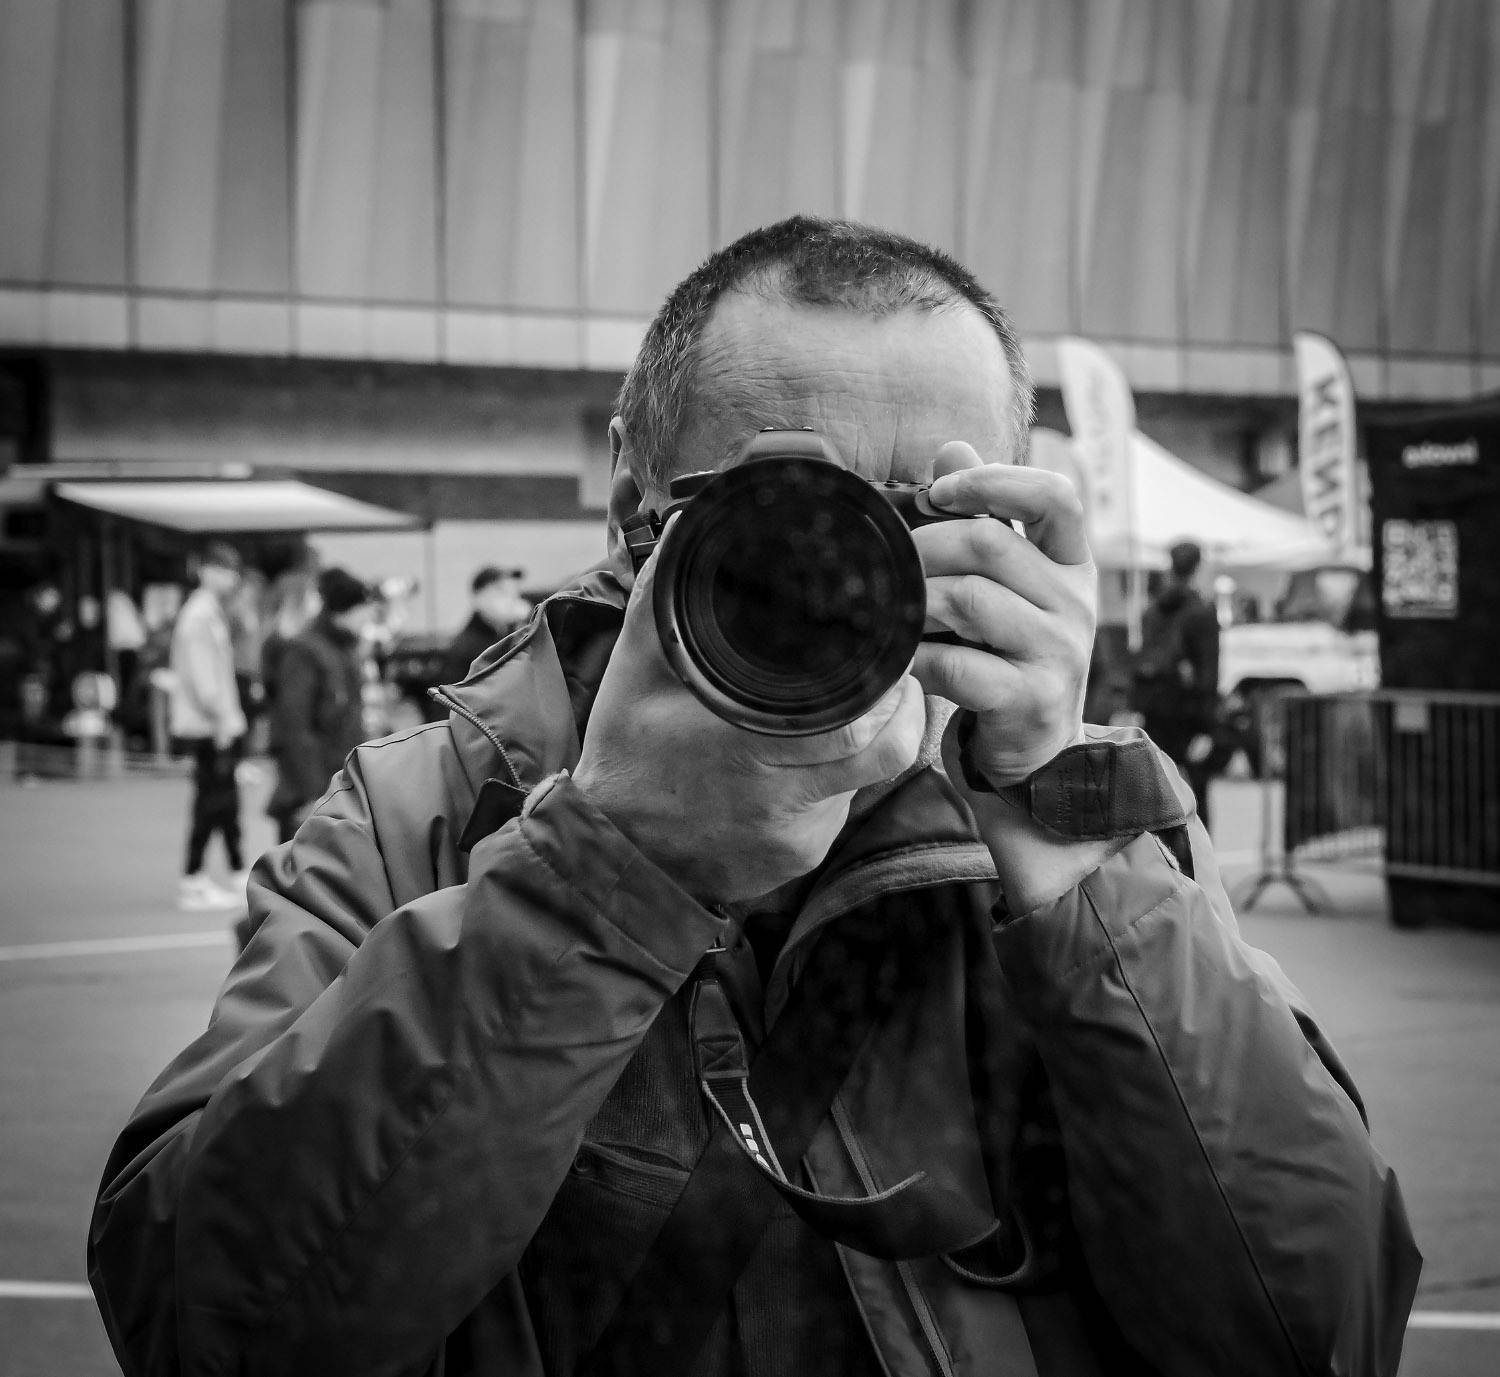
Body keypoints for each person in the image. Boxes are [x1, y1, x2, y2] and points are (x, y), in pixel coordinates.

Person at [90, 217, 1419, 1376]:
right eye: (784, 508)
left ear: (1014, 531)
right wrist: (602, 870)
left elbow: (1321, 1333)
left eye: (922, 517)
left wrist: (1071, 860)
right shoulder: (417, 815)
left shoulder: (1080, 812)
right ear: (633, 495)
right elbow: (205, 1330)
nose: (855, 573)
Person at [265, 566, 376, 846]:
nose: (368, 618)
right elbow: (294, 727)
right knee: (303, 865)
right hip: (311, 792)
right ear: (344, 611)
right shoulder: (305, 651)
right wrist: (313, 793)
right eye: (363, 610)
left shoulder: (344, 649)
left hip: (339, 784)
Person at [167, 542, 248, 911]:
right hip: (208, 725)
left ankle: (236, 870)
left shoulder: (209, 611)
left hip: (216, 723)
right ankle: (193, 878)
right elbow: (204, 680)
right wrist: (221, 721)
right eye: (223, 570)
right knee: (211, 803)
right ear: (205, 570)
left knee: (224, 802)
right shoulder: (199, 615)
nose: (231, 578)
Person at [1132, 540, 1222, 829]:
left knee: (1157, 795)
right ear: (1198, 568)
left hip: (1155, 712)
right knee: (1196, 798)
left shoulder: (1152, 611)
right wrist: (1208, 727)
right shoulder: (1202, 612)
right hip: (1189, 714)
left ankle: (1162, 856)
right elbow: (1208, 673)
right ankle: (1198, 857)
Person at [441, 564, 530, 686]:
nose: (511, 599)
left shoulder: (515, 634)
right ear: (478, 597)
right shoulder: (464, 648)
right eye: (500, 590)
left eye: (513, 591)